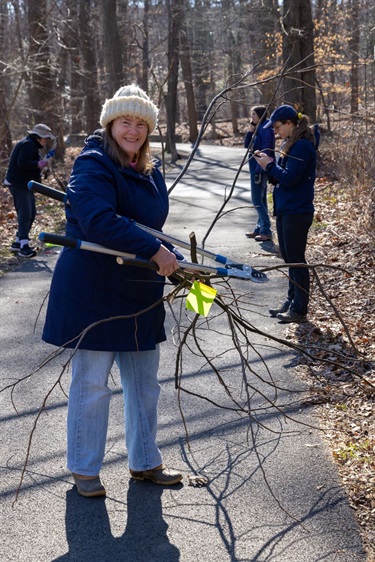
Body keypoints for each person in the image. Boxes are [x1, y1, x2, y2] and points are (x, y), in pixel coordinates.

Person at [42, 85, 184, 497]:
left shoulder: (150, 169)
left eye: (142, 124)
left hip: (139, 289)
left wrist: (173, 258)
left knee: (145, 384)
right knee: (92, 385)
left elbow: (150, 226)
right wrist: (153, 249)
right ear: (110, 123)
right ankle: (85, 469)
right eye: (126, 121)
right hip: (95, 290)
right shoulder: (92, 163)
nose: (134, 131)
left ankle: (145, 461)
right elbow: (97, 220)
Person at [253, 104, 318, 323]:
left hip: (297, 211)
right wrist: (267, 167)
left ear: (290, 124)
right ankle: (291, 301)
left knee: (296, 260)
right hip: (287, 209)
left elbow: (291, 178)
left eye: (278, 126)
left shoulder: (301, 146)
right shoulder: (290, 144)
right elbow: (282, 179)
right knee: (289, 258)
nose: (275, 131)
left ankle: (299, 309)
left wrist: (270, 166)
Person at [5, 124, 55, 257]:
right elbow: (22, 163)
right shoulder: (27, 144)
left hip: (25, 184)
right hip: (18, 184)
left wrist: (44, 166)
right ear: (39, 137)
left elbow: (34, 166)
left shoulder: (32, 145)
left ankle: (17, 243)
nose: (46, 142)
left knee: (31, 213)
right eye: (46, 139)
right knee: (26, 213)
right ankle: (24, 246)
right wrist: (38, 164)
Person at [244, 106, 275, 242]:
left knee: (256, 200)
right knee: (261, 200)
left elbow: (266, 151)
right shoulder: (258, 128)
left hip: (260, 169)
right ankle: (259, 228)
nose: (252, 117)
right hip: (255, 167)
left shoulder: (265, 129)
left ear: (261, 115)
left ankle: (266, 230)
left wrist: (259, 170)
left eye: (254, 114)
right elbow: (247, 145)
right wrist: (250, 131)